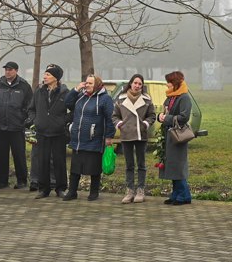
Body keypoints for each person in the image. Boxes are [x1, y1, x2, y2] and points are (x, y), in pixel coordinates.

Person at [62, 75, 114, 201]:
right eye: (86, 82)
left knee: (94, 167)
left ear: (97, 85)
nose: (87, 85)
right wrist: (76, 89)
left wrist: (109, 136)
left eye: (90, 83)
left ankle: (94, 192)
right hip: (79, 139)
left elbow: (110, 118)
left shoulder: (105, 99)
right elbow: (67, 103)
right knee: (75, 168)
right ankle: (72, 192)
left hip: (94, 139)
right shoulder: (81, 97)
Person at [113, 73, 156, 204]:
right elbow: (114, 116)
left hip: (140, 135)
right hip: (126, 135)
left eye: (140, 84)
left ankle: (140, 190)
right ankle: (129, 190)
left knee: (141, 164)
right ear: (130, 83)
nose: (137, 86)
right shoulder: (120, 99)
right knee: (129, 165)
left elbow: (152, 116)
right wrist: (120, 124)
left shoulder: (147, 99)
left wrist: (145, 124)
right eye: (135, 83)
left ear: (142, 86)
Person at [0, 61, 33, 190]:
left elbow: (29, 105)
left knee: (19, 154)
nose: (8, 72)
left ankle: (22, 180)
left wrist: (23, 119)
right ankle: (2, 181)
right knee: (1, 155)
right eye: (6, 69)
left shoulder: (24, 86)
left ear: (16, 71)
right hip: (0, 126)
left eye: (10, 69)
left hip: (17, 126)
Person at [32, 64, 72, 199]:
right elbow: (32, 108)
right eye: (45, 74)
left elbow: (74, 110)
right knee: (42, 161)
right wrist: (34, 120)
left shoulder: (65, 93)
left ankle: (60, 188)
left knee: (59, 161)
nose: (45, 77)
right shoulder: (39, 91)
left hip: (58, 133)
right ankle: (44, 189)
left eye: (48, 74)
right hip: (42, 132)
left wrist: (63, 120)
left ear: (56, 78)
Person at [159, 70, 194, 205]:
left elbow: (184, 117)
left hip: (178, 135)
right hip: (168, 134)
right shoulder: (171, 97)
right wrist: (160, 117)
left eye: (169, 82)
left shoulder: (184, 97)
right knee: (171, 165)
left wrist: (167, 118)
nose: (167, 85)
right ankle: (176, 193)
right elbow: (165, 111)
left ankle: (184, 195)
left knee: (178, 165)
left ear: (175, 83)